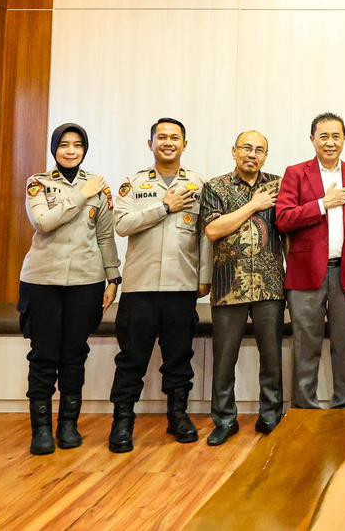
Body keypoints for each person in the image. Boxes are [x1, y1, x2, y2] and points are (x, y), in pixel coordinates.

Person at [18, 123, 119, 456]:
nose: (71, 151)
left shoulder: (100, 189)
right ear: (54, 149)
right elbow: (43, 223)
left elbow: (105, 236)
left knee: (74, 356)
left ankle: (68, 425)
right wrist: (81, 193)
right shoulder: (39, 183)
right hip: (42, 282)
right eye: (64, 145)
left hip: (85, 283)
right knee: (44, 356)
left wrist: (113, 278)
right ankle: (42, 429)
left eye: (78, 145)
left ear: (85, 149)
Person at [106, 117, 205, 453]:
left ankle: (178, 415)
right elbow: (121, 224)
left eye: (174, 137)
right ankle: (122, 421)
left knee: (179, 357)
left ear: (184, 144)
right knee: (132, 357)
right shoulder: (133, 184)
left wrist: (203, 277)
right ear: (150, 144)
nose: (168, 142)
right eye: (161, 137)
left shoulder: (197, 184)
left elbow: (205, 236)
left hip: (181, 285)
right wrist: (164, 207)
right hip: (141, 286)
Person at [276, 113, 345, 410]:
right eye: (324, 136)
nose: (330, 142)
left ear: (344, 139)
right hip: (305, 275)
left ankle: (344, 408)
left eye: (336, 136)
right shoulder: (296, 173)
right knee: (305, 346)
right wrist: (323, 203)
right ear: (312, 140)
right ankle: (304, 410)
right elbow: (283, 220)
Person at [199, 130, 285, 446]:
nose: (252, 154)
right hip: (227, 285)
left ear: (266, 155)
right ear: (234, 151)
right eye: (246, 148)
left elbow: (287, 230)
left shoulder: (279, 185)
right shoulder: (215, 187)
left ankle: (271, 416)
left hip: (270, 284)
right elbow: (212, 230)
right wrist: (253, 205)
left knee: (272, 356)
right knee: (224, 358)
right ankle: (224, 420)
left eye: (259, 149)